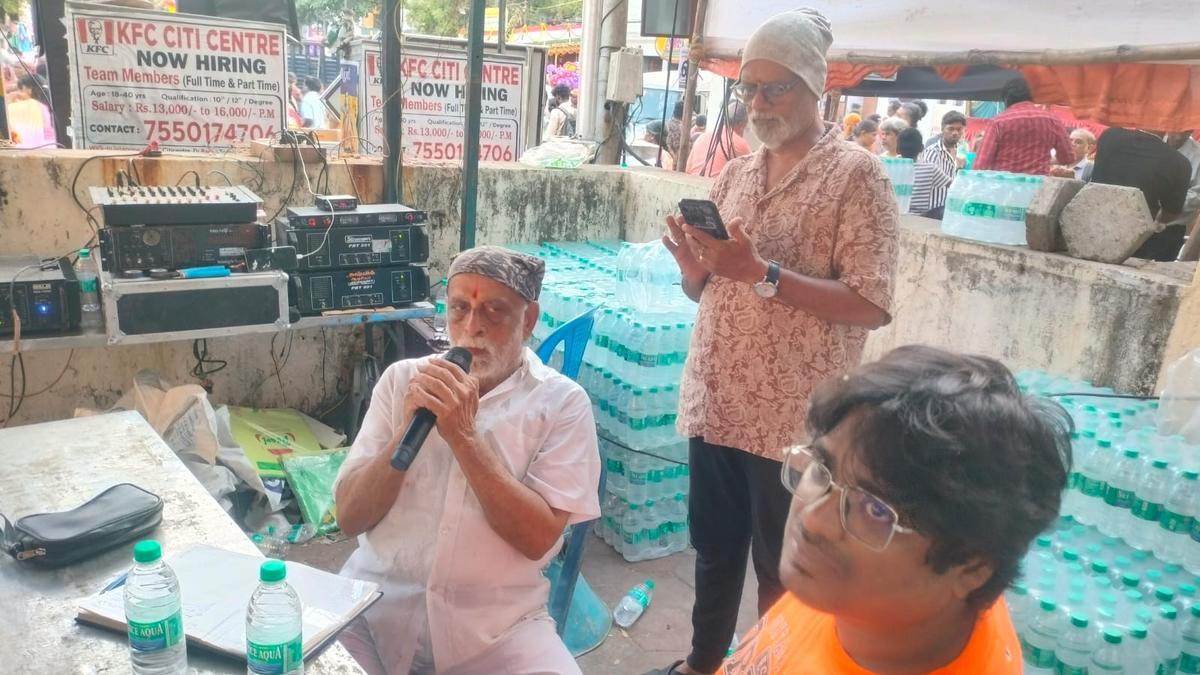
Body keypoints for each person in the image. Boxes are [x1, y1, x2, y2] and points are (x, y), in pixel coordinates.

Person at [650, 9, 899, 675]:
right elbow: (718, 287)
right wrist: (696, 276)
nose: (756, 103)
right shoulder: (734, 174)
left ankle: (776, 668)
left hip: (794, 417)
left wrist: (761, 273)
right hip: (719, 401)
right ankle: (704, 664)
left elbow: (871, 303)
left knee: (782, 568)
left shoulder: (857, 176)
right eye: (748, 88)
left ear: (814, 87)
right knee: (714, 549)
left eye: (773, 88)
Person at [718, 345, 1072, 674]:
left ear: (971, 565)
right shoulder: (868, 607)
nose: (813, 521)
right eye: (821, 470)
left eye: (875, 510)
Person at [335, 246, 601, 675]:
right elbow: (348, 518)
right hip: (372, 610)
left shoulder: (562, 405)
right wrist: (407, 430)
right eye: (460, 308)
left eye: (494, 311)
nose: (472, 327)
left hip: (498, 634)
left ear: (528, 320)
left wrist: (464, 437)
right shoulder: (402, 381)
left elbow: (537, 539)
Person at [1091, 127, 1192, 261]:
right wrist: (1156, 220)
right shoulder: (1179, 162)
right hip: (1137, 241)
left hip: (1093, 223)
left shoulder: (1110, 136)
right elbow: (1171, 212)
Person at [973, 77, 1073, 175]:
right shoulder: (1053, 120)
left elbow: (980, 164)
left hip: (1004, 187)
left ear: (1006, 99)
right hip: (1038, 187)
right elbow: (1068, 158)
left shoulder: (998, 122)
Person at [910, 111, 966, 219]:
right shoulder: (933, 152)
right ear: (942, 129)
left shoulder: (959, 151)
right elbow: (927, 181)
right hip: (934, 208)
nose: (955, 133)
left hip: (948, 205)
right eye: (951, 128)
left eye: (959, 129)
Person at [686, 102, 751, 177]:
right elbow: (750, 176)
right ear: (741, 124)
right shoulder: (741, 144)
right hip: (717, 186)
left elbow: (688, 169)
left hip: (693, 183)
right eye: (745, 127)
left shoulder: (702, 137)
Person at [1166, 131, 1200, 243]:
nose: (1179, 135)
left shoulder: (1197, 155)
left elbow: (1197, 195)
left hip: (1170, 229)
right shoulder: (1152, 143)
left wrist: (1166, 209)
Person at [7, 74, 55, 148]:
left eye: (20, 89)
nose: (18, 92)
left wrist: (8, 101)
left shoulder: (31, 106)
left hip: (36, 148)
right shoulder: (48, 103)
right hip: (52, 145)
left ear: (28, 89)